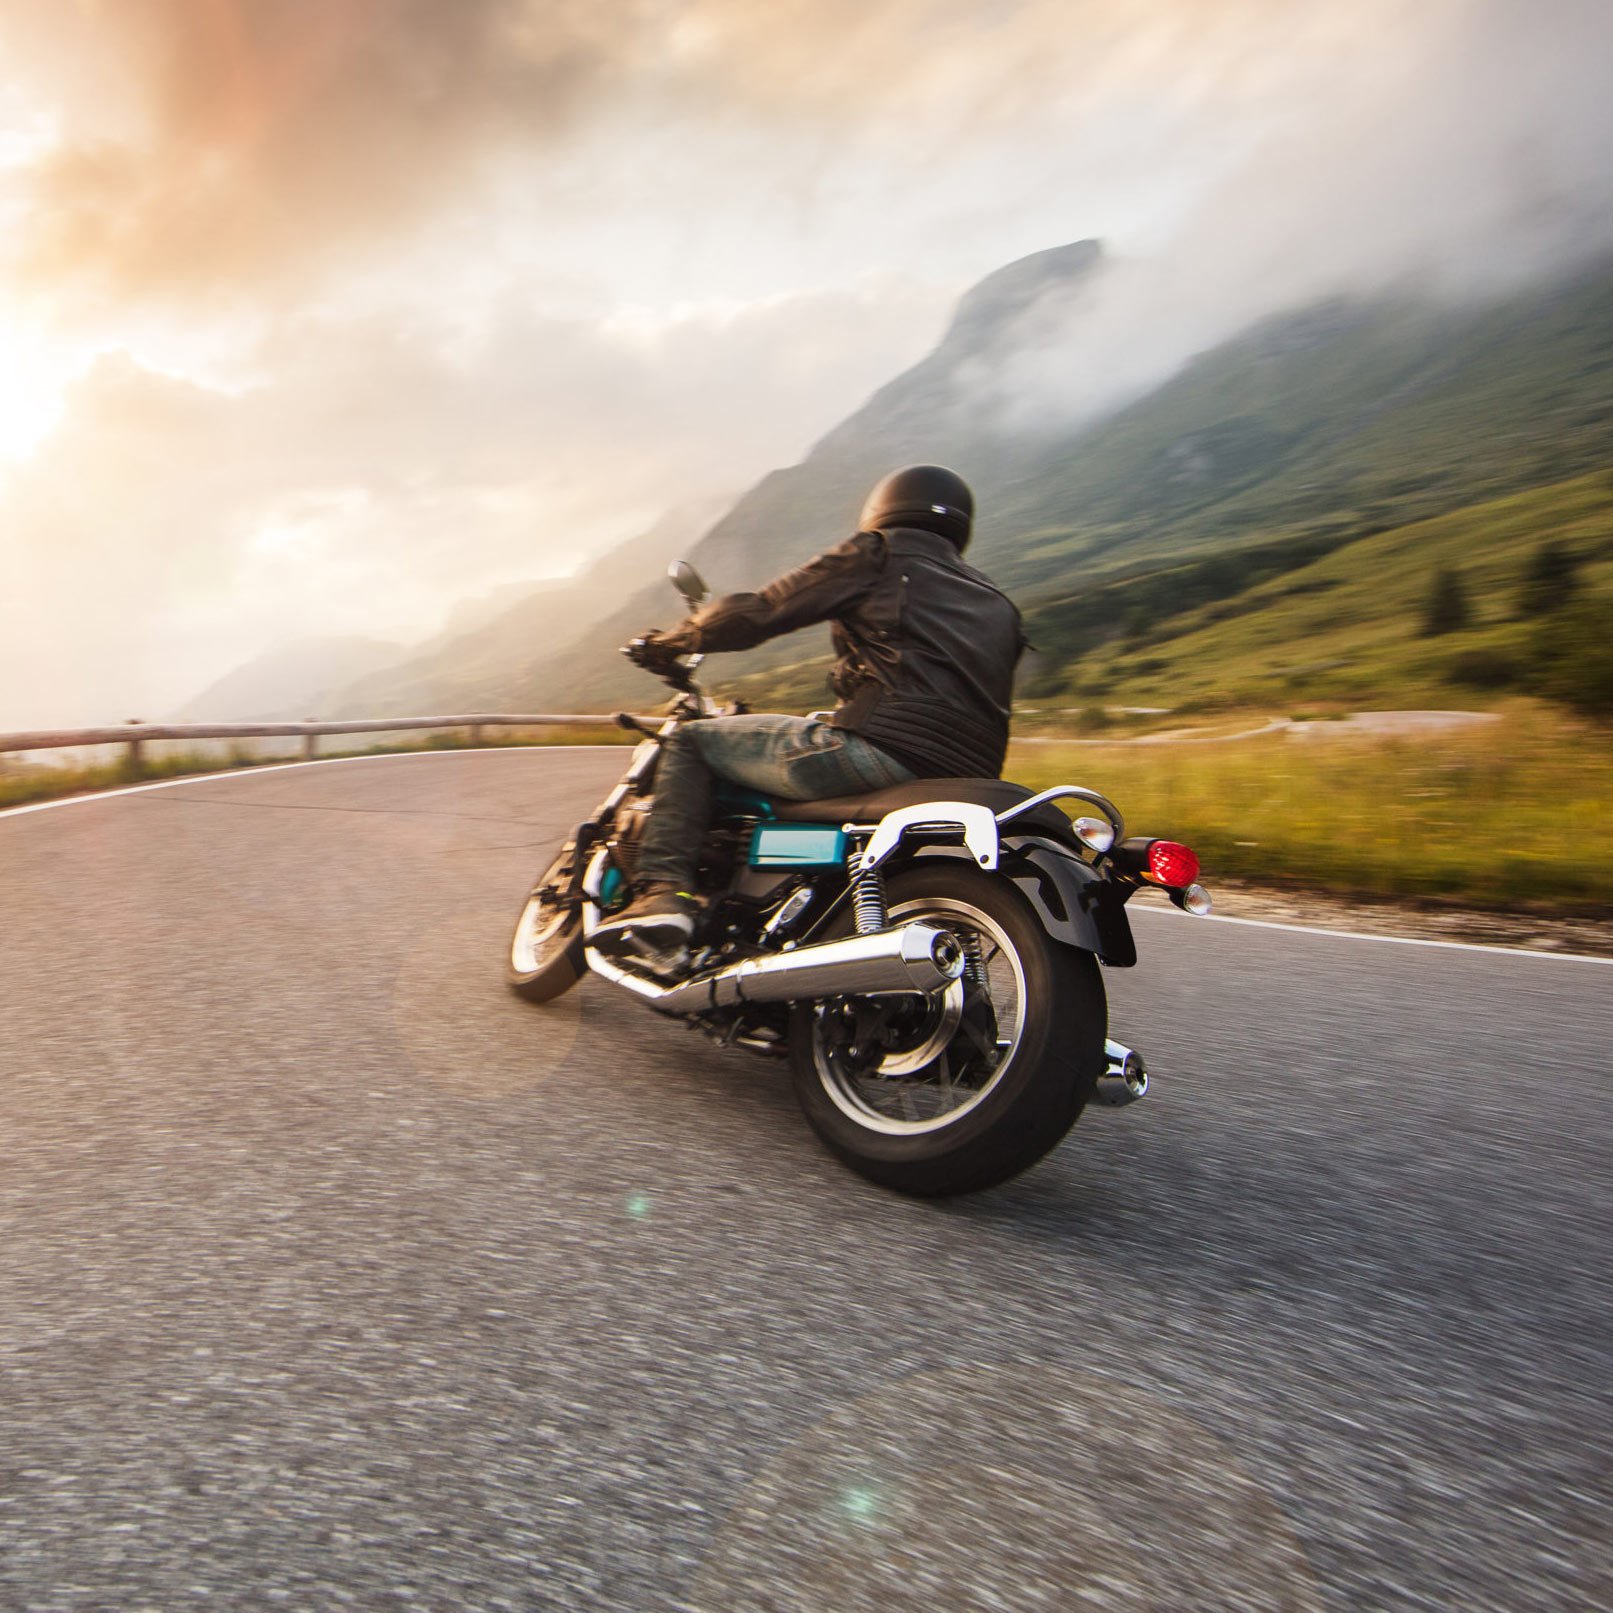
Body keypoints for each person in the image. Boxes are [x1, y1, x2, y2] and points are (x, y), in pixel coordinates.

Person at [593, 464, 1025, 957]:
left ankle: (665, 893)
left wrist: (675, 639)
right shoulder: (997, 601)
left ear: (883, 509)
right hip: (966, 774)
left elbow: (760, 610)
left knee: (691, 741)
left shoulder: (879, 554)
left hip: (881, 749)